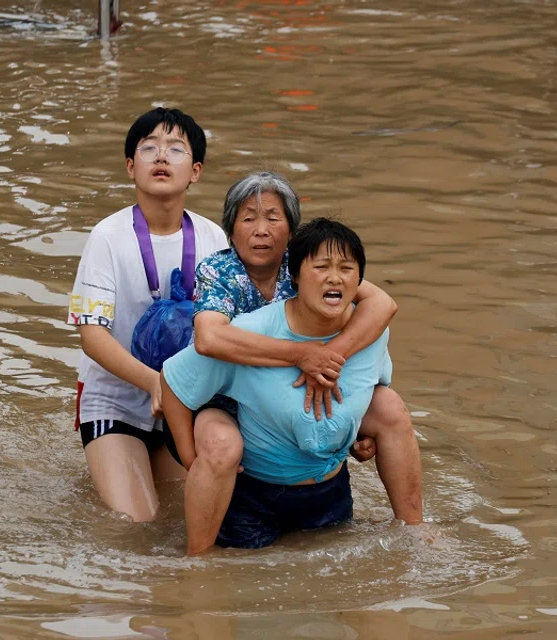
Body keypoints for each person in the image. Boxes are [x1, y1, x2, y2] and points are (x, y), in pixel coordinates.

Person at [172, 171, 423, 554]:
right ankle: (197, 558)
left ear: (291, 230)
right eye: (248, 218)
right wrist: (303, 355)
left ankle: (415, 532)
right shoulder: (219, 271)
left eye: (272, 218)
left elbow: (381, 304)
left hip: (297, 392)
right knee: (223, 443)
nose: (260, 230)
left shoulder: (312, 262)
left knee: (388, 405)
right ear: (230, 229)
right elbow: (208, 340)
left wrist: (333, 363)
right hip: (225, 393)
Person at [66, 107, 228, 521]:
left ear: (195, 171)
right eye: (149, 148)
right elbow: (92, 336)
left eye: (175, 149)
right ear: (129, 166)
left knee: (182, 519)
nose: (160, 157)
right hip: (116, 400)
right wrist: (155, 383)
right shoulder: (106, 237)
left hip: (187, 403)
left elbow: (231, 330)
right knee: (136, 525)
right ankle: (106, 453)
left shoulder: (213, 237)